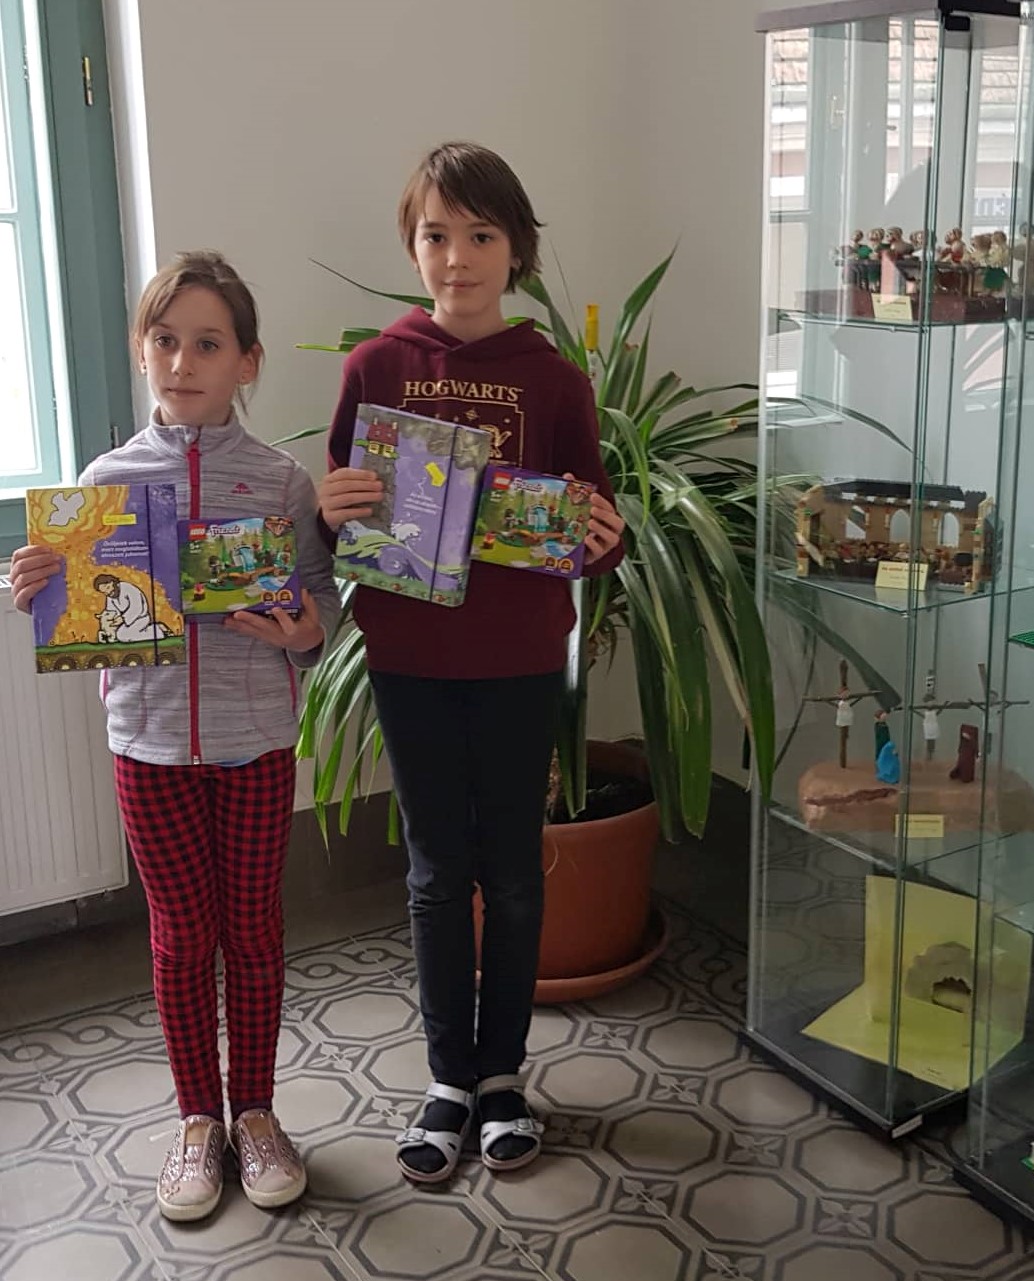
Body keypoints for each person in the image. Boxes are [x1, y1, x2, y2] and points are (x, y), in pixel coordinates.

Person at [8, 251, 340, 1222]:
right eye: (165, 341)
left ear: (247, 362)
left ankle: (257, 1114)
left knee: (254, 931)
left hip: (256, 744)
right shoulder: (105, 484)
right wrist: (41, 590)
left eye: (208, 343)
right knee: (183, 936)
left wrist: (303, 632)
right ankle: (199, 1121)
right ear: (140, 350)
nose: (184, 362)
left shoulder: (280, 482)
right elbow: (80, 611)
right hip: (146, 747)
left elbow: (322, 602)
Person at [316, 142, 625, 1185]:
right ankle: (450, 1079)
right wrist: (333, 507)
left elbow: (590, 522)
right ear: (412, 246)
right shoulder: (376, 368)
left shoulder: (557, 380)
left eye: (480, 235)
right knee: (436, 872)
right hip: (408, 657)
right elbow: (341, 513)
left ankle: (503, 1079)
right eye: (436, 235)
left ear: (516, 249)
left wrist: (604, 536)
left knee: (514, 873)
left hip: (520, 660)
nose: (457, 258)